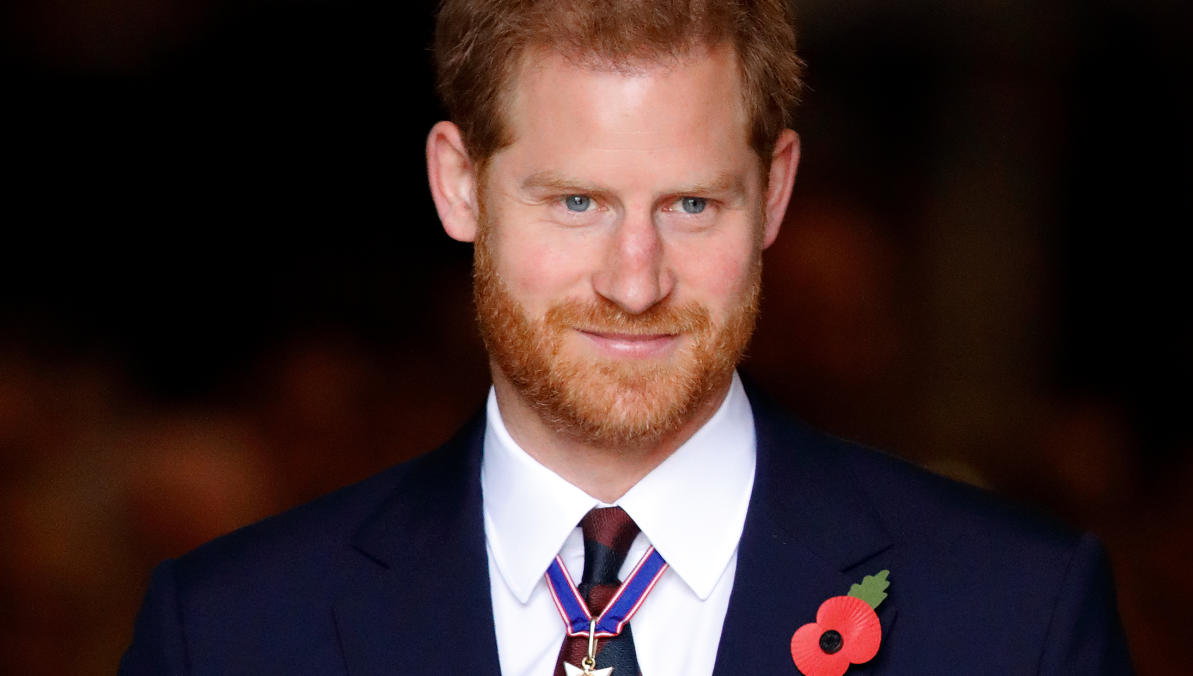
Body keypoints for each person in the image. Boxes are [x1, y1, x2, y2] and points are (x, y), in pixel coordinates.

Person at [120, 1, 1133, 674]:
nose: (634, 281)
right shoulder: (227, 633)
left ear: (774, 191)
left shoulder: (1016, 618)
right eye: (574, 201)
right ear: (457, 184)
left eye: (692, 204)